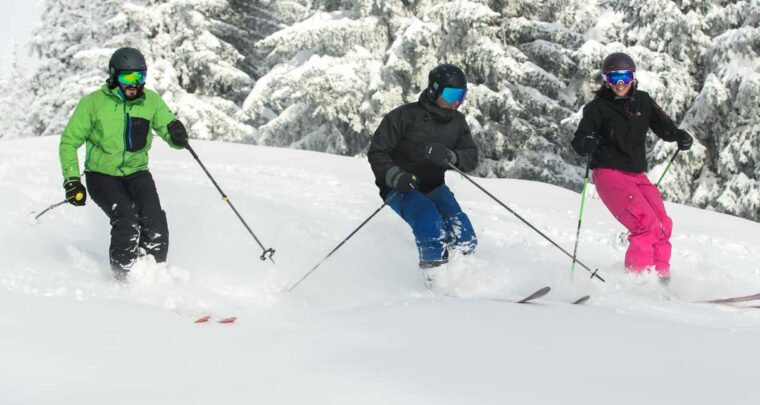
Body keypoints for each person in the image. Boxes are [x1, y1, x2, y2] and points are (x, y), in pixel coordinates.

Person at [59, 47, 190, 280]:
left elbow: (170, 131)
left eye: (139, 77)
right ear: (113, 76)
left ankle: (154, 273)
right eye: (127, 78)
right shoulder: (93, 104)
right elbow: (69, 142)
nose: (134, 84)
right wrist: (72, 180)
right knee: (127, 218)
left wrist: (177, 134)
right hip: (101, 175)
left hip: (137, 172)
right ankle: (124, 275)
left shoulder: (151, 102)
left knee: (154, 218)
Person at [571, 52, 693, 283]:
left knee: (662, 224)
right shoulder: (597, 108)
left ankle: (660, 279)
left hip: (636, 173)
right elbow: (580, 141)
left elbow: (666, 129)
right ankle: (639, 281)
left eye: (625, 77)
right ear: (606, 80)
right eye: (614, 77)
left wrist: (679, 136)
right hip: (609, 174)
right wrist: (587, 142)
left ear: (633, 77)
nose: (620, 84)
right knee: (645, 225)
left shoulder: (643, 101)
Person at [368, 63, 479, 274]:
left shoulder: (458, 122)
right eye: (451, 94)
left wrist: (451, 156)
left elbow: (471, 157)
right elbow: (377, 152)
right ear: (435, 90)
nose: (456, 102)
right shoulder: (403, 116)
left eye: (461, 96)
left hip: (432, 185)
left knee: (462, 230)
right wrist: (395, 176)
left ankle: (465, 275)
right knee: (429, 219)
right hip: (400, 186)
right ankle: (434, 275)